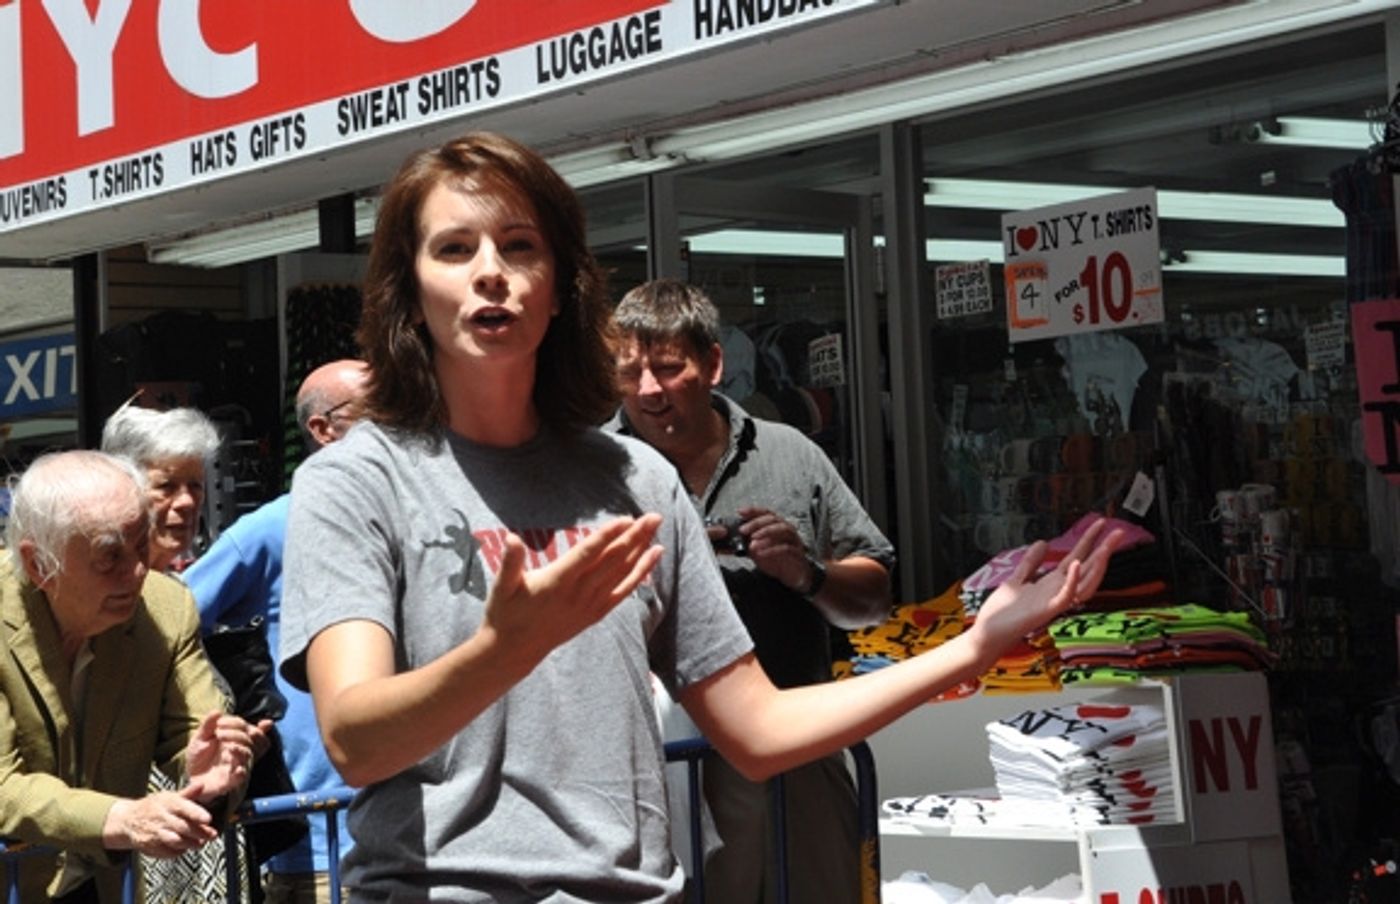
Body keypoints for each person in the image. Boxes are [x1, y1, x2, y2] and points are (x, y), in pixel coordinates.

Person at [277, 130, 1120, 903]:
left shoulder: (635, 479)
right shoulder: (354, 481)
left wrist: (973, 648)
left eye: (519, 245)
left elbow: (758, 726)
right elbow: (355, 738)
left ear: (562, 287)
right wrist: (506, 648)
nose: (490, 271)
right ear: (409, 290)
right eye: (455, 248)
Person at [610, 277, 893, 903]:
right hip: (655, 772)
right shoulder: (590, 471)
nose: (649, 390)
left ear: (713, 364)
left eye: (668, 368)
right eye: (629, 372)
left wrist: (807, 572)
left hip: (799, 754)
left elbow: (875, 597)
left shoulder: (788, 454)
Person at [0, 450, 268, 903]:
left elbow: (198, 732)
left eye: (142, 545)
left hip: (102, 885)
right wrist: (124, 818)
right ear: (39, 565)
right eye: (110, 557)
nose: (137, 571)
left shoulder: (165, 609)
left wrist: (212, 773)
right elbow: (4, 786)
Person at [184, 359, 369, 903]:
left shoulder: (415, 519)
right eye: (380, 410)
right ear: (323, 429)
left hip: (421, 830)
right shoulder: (272, 528)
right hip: (320, 841)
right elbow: (169, 621)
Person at [100, 403, 222, 573]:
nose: (187, 502)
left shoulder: (182, 584)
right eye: (167, 486)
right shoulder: (92, 583)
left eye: (195, 486)